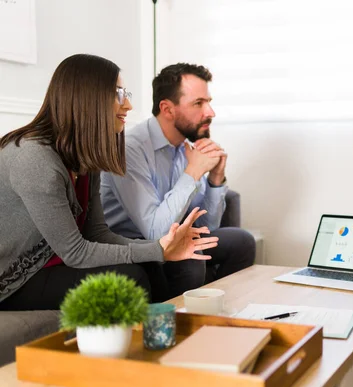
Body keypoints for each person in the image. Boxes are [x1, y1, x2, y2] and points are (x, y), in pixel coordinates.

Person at [0, 54, 219, 311]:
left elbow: (97, 234)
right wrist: (158, 249)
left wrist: (160, 249)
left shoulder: (84, 156)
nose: (128, 105)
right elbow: (76, 252)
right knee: (131, 277)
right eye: (118, 94)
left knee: (149, 266)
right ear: (87, 99)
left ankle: (167, 337)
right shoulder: (35, 159)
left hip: (56, 262)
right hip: (16, 282)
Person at [100, 63, 255, 298]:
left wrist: (215, 179)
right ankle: (181, 328)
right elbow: (155, 233)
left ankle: (221, 318)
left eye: (208, 102)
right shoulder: (129, 149)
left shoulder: (185, 148)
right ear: (167, 109)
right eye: (198, 103)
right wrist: (193, 171)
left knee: (242, 242)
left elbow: (208, 227)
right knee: (189, 261)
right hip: (134, 243)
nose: (210, 112)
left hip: (171, 236)